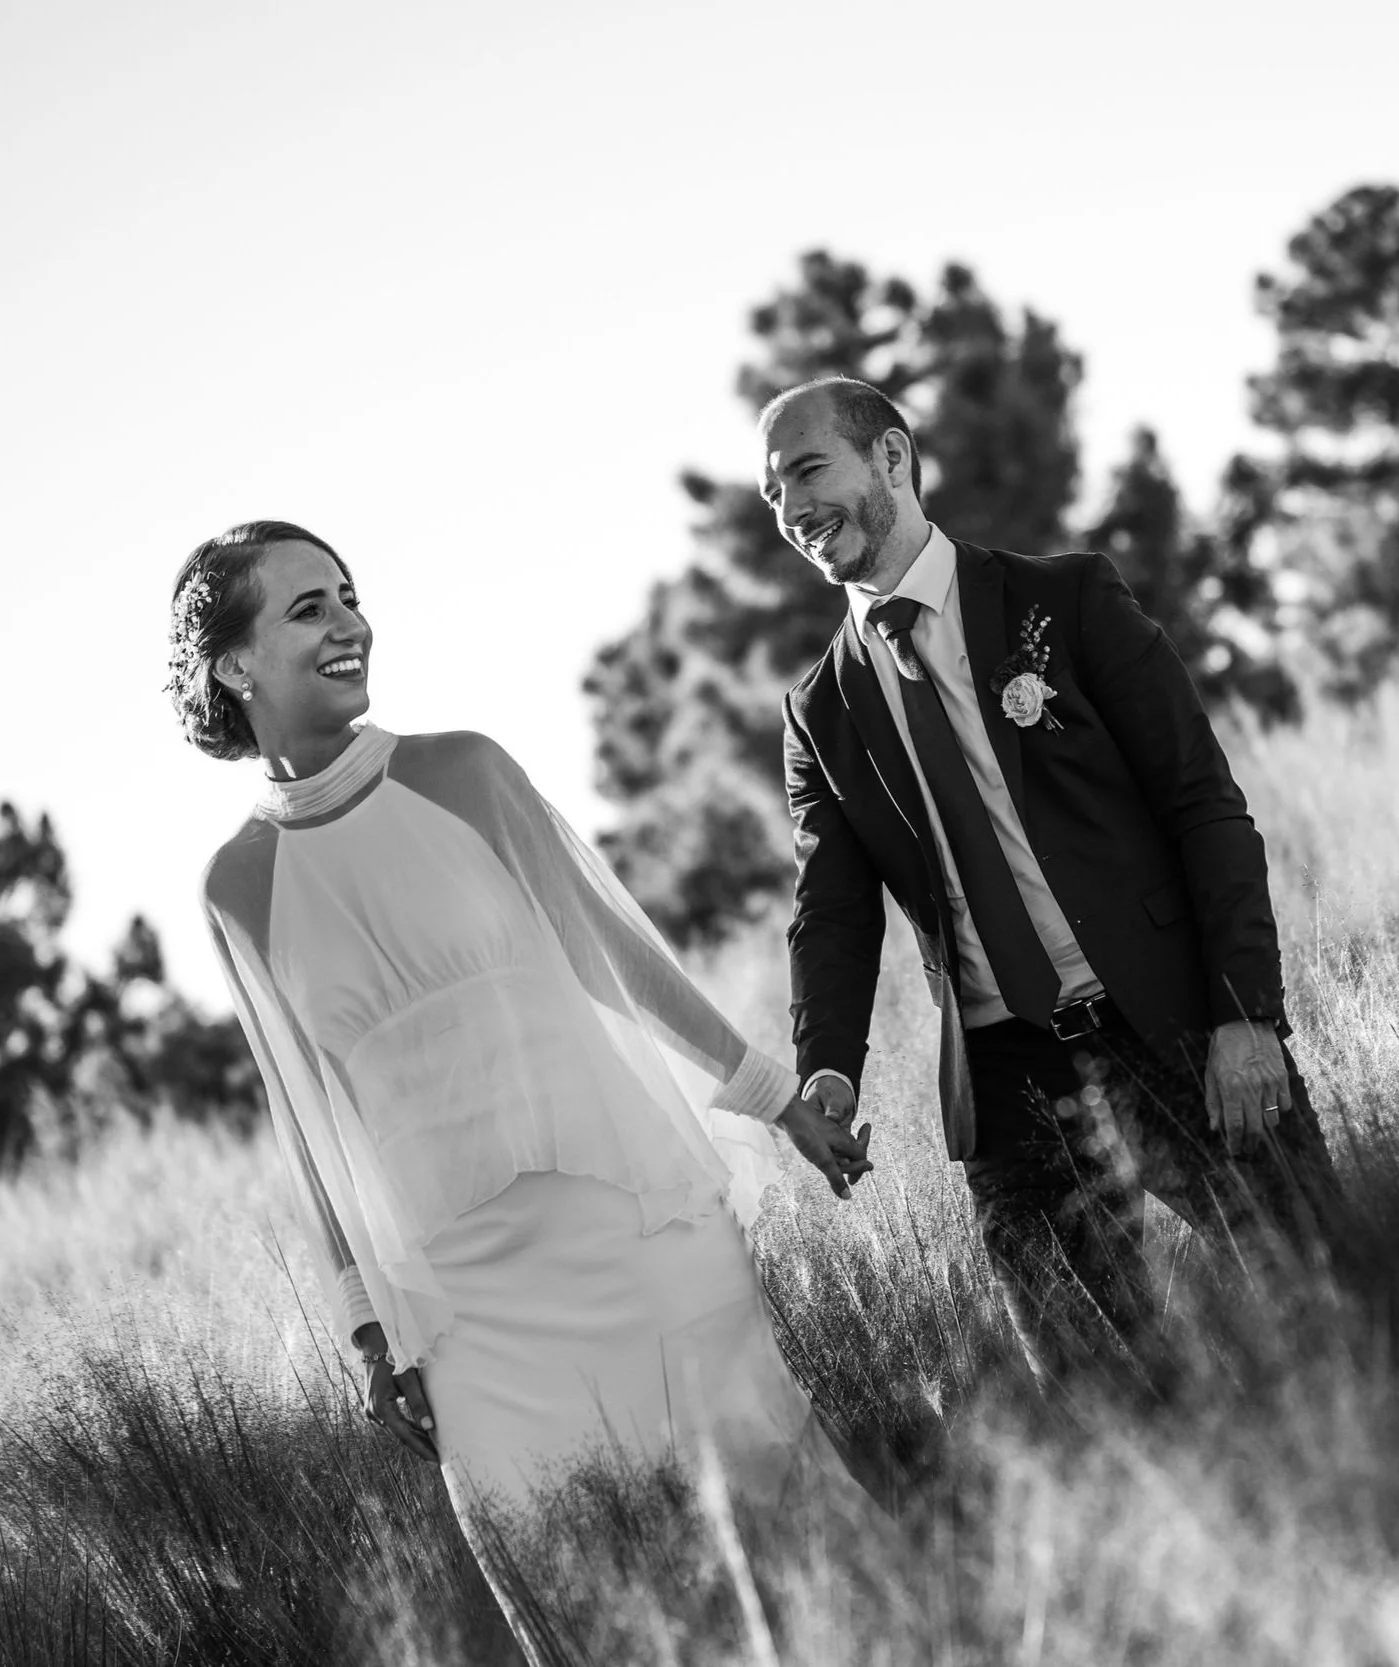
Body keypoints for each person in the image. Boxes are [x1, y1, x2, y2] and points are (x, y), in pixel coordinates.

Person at [165, 520, 868, 1652]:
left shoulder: (463, 771)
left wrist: (772, 1094)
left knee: (785, 1534)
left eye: (349, 596)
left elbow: (615, 956)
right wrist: (367, 1327)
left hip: (636, 1236)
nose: (351, 624)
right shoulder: (236, 882)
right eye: (308, 608)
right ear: (234, 664)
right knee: (576, 1595)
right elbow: (305, 1119)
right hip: (470, 1308)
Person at [763, 378, 1339, 1380]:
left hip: (1168, 1023)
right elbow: (831, 912)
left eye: (808, 470)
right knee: (1090, 1380)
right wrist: (826, 1067)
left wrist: (1246, 1014)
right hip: (1004, 1077)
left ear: (891, 457)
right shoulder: (820, 709)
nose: (791, 509)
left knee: (1324, 1291)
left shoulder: (1063, 601)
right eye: (771, 493)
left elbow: (1202, 804)